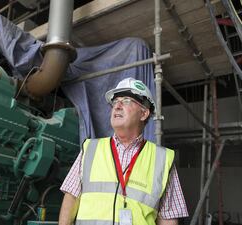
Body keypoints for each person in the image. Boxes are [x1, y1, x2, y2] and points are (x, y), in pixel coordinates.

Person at [58, 78, 188, 225]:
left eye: (126, 100)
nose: (117, 106)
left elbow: (168, 217)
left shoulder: (163, 159)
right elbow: (71, 198)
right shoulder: (90, 150)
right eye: (115, 102)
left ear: (144, 113)